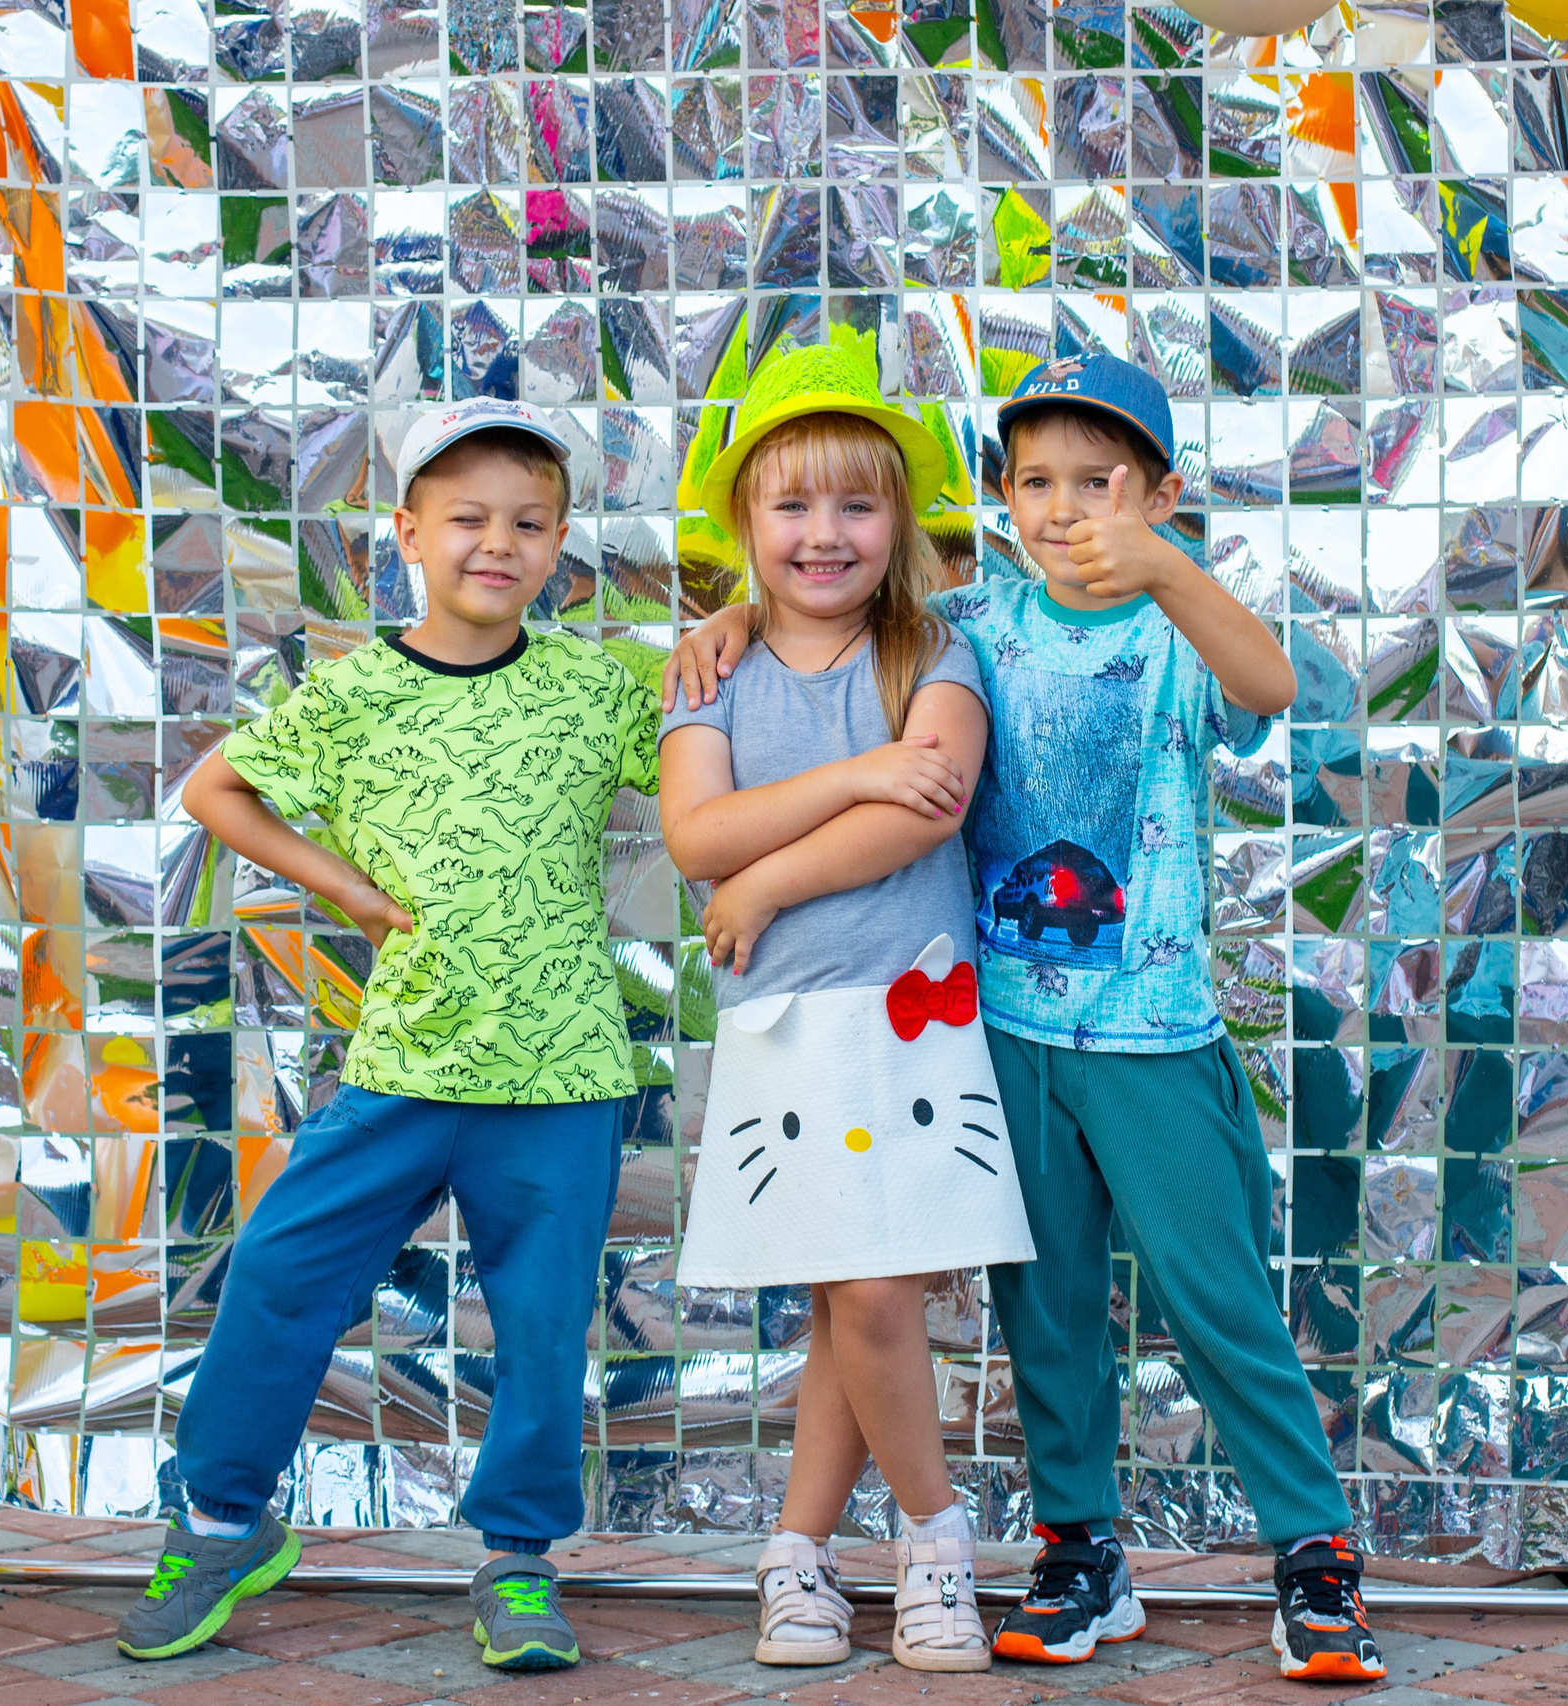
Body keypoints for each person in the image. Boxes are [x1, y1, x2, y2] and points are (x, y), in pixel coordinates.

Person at [666, 352, 1384, 1685]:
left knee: (1213, 1294)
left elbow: (1271, 688)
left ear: (1164, 492)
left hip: (1154, 1030)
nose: (1068, 509)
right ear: (998, 496)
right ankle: (1079, 1547)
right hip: (994, 1028)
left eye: (1103, 483)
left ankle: (1316, 1552)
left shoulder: (1181, 619)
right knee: (1045, 1308)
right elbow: (834, 618)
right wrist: (727, 622)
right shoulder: (971, 625)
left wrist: (1165, 565)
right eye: (1038, 481)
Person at [116, 398, 658, 1676]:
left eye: (528, 522)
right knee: (282, 1274)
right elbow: (214, 790)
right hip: (406, 1063)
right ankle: (217, 1522)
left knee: (538, 1324)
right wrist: (347, 889)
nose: (497, 543)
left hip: (560, 1067)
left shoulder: (596, 686)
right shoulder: (351, 696)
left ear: (561, 541)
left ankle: (518, 1560)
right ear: (407, 531)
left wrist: (732, 632)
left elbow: (700, 764)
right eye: (467, 518)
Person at [660, 343, 1035, 1674]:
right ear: (744, 521)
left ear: (901, 521)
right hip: (789, 1035)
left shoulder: (938, 648)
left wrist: (772, 872)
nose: (825, 535)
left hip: (911, 1024)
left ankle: (832, 1549)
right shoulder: (710, 668)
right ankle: (897, 1543)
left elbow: (925, 803)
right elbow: (697, 835)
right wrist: (846, 780)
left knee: (868, 1296)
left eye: (857, 506)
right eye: (793, 506)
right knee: (850, 1297)